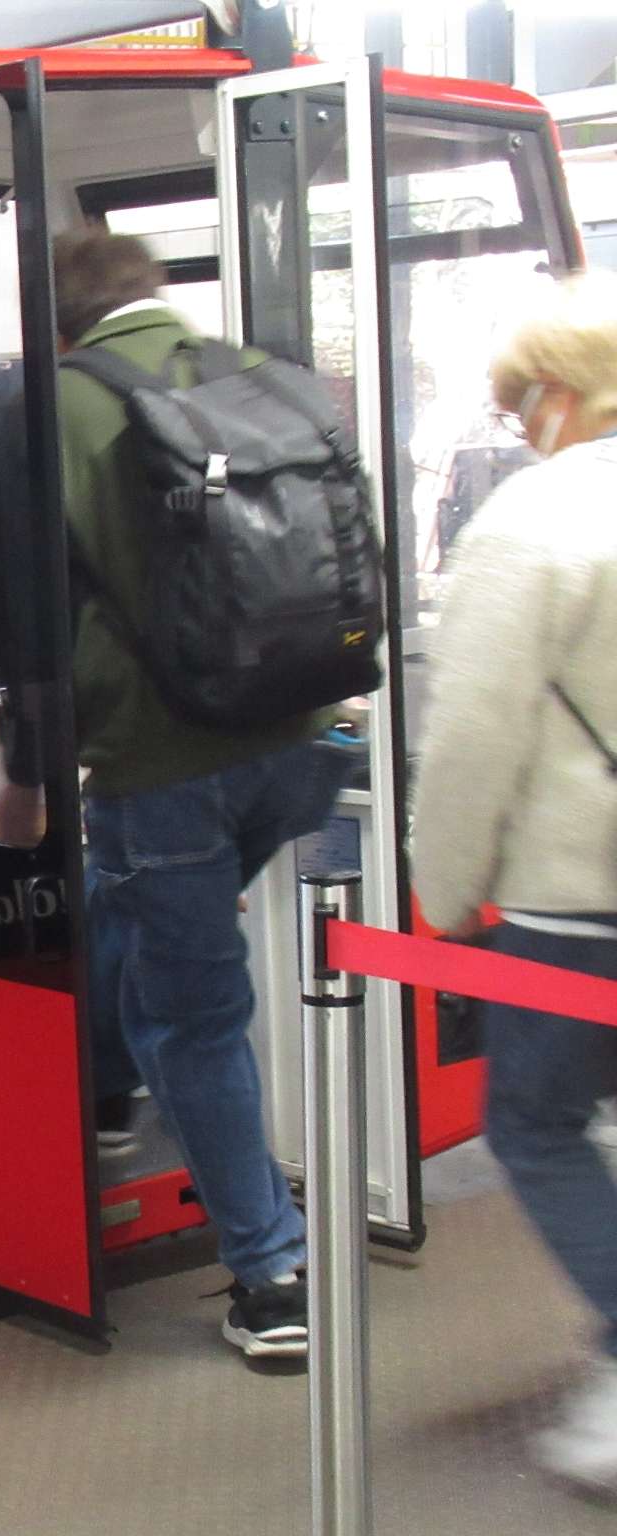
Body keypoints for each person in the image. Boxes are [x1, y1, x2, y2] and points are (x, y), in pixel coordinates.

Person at [0, 229, 347, 1360]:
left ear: (52, 327)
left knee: (192, 1021)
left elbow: (24, 616)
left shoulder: (49, 408)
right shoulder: (261, 377)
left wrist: (24, 778)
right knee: (128, 908)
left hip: (162, 767)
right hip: (301, 744)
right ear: (152, 298)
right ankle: (101, 1095)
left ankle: (268, 1274)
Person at [410, 271, 617, 1491]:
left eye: (512, 402)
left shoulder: (530, 525)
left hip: (572, 897)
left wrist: (440, 898)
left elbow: (471, 737)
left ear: (554, 395)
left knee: (534, 1123)